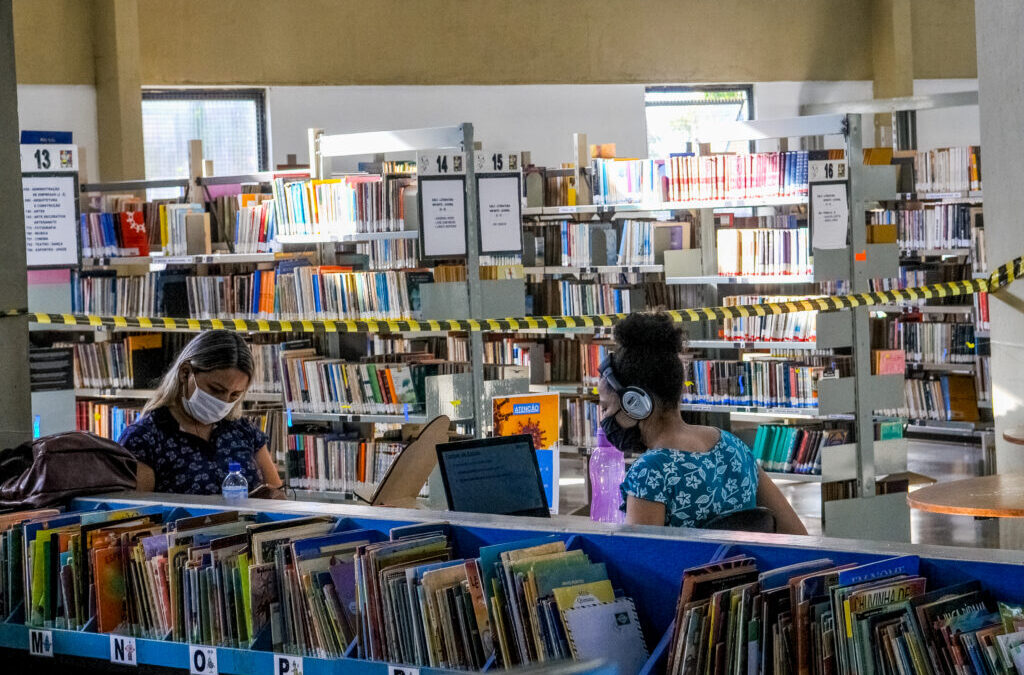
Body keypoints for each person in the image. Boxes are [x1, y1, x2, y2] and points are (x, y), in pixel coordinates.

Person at [598, 312, 807, 535]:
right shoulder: (733, 448)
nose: (603, 419)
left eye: (605, 407)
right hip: (744, 568)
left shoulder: (651, 472)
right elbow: (797, 534)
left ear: (635, 403)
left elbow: (640, 561)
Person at [118, 330, 285, 498]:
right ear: (185, 373)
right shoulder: (144, 439)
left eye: (234, 395)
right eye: (215, 390)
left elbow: (277, 497)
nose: (223, 401)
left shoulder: (243, 431)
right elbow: (138, 515)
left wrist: (272, 498)